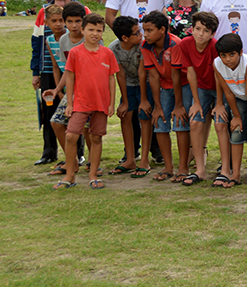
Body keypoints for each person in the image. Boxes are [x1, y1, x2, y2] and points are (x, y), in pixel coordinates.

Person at [48, 14, 119, 190]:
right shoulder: (75, 52)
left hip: (101, 103)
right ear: (83, 30)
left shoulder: (108, 53)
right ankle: (70, 174)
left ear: (103, 33)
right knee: (71, 135)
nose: (94, 34)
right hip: (80, 102)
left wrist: (111, 103)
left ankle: (93, 175)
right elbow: (70, 77)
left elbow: (112, 79)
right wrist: (70, 103)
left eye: (98, 30)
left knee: (96, 137)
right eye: (91, 30)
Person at [31, 0, 86, 165]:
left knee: (75, 111)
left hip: (75, 71)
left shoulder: (81, 10)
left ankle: (78, 153)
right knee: (49, 110)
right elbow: (37, 42)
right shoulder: (43, 12)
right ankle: (49, 151)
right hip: (49, 68)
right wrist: (35, 72)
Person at [140, 10, 190, 183]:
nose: (145, 34)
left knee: (180, 122)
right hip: (165, 86)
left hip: (183, 85)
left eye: (149, 30)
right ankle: (168, 167)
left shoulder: (175, 44)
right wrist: (158, 106)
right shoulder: (146, 46)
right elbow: (153, 76)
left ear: (162, 30)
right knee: (159, 122)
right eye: (144, 30)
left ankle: (183, 167)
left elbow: (177, 75)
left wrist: (178, 105)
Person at [213, 33, 247, 188]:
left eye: (232, 55)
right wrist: (236, 116)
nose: (228, 59)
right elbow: (228, 92)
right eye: (223, 55)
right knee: (236, 131)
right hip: (237, 98)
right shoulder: (217, 64)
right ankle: (235, 173)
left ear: (240, 52)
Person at [174, 11, 220, 186]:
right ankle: (200, 169)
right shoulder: (185, 44)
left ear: (212, 34)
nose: (201, 34)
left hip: (219, 86)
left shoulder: (215, 46)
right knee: (194, 122)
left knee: (221, 123)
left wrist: (220, 102)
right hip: (201, 87)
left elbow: (219, 75)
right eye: (198, 29)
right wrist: (197, 102)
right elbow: (191, 73)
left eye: (206, 31)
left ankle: (227, 165)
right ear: (191, 29)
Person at [109, 16, 143, 176]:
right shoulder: (114, 49)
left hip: (146, 82)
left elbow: (144, 72)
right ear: (125, 38)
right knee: (125, 116)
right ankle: (130, 158)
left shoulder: (143, 45)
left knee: (145, 116)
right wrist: (125, 101)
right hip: (129, 84)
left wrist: (144, 99)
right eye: (137, 33)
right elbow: (120, 75)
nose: (141, 34)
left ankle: (147, 158)